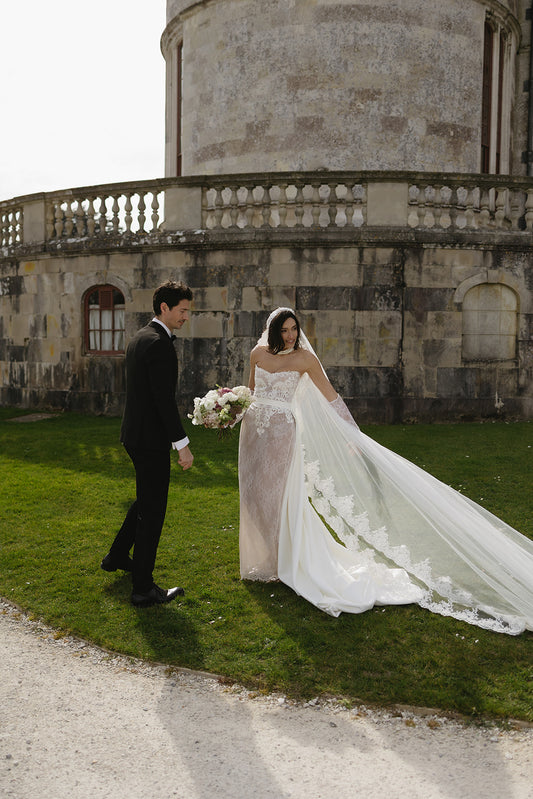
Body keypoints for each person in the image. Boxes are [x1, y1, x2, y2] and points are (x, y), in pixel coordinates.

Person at [238, 307, 533, 634]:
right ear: (273, 331)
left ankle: (288, 563)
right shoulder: (257, 354)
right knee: (255, 496)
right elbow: (250, 393)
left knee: (281, 497)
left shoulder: (305, 359)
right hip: (253, 433)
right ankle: (270, 560)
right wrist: (227, 411)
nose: (291, 335)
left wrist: (352, 434)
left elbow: (331, 397)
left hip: (283, 434)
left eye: (294, 329)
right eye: (284, 330)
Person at [101, 280, 194, 608]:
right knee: (153, 512)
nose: (186, 316)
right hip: (150, 440)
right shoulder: (158, 344)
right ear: (164, 308)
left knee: (146, 501)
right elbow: (163, 401)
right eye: (182, 310)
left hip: (135, 436)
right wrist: (182, 444)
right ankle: (143, 588)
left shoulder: (140, 337)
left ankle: (116, 556)